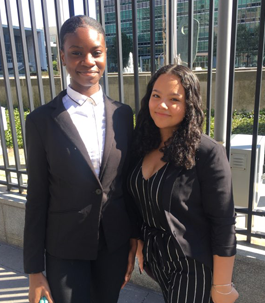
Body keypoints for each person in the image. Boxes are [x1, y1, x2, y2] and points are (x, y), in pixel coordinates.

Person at [23, 15, 137, 303]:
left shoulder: (123, 115)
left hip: (114, 244)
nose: (88, 61)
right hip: (65, 248)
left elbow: (127, 184)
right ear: (62, 56)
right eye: (76, 53)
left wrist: (134, 240)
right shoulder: (41, 121)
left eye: (96, 52)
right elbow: (37, 196)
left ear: (105, 54)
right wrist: (34, 270)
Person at [128, 64, 239, 303]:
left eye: (174, 99)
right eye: (156, 96)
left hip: (192, 265)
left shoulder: (207, 152)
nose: (162, 105)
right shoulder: (143, 143)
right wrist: (137, 239)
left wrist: (222, 286)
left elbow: (223, 222)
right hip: (158, 262)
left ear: (189, 105)